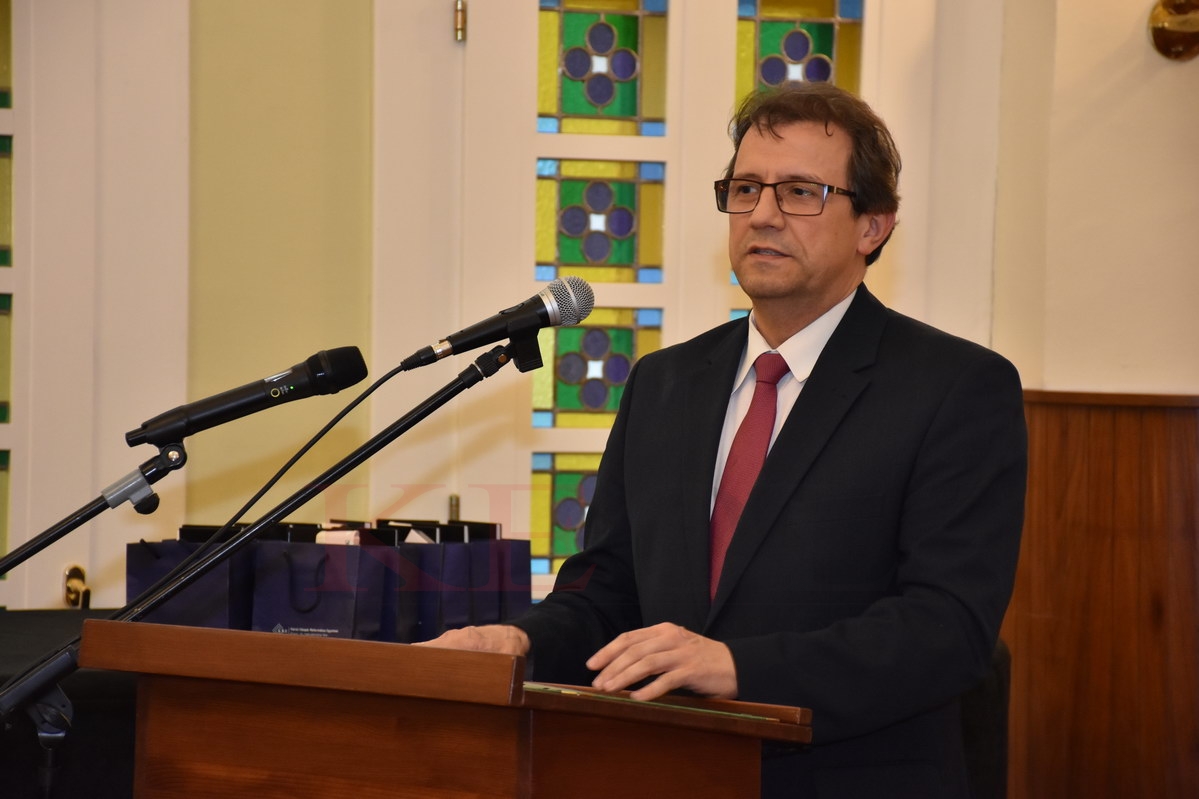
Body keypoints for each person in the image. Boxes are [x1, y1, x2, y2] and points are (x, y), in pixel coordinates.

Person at [426, 82, 1027, 798]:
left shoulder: (955, 386)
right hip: (666, 772)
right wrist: (518, 641)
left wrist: (738, 666)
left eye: (800, 192)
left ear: (872, 225)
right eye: (745, 190)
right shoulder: (664, 382)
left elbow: (946, 628)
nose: (763, 215)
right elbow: (609, 591)